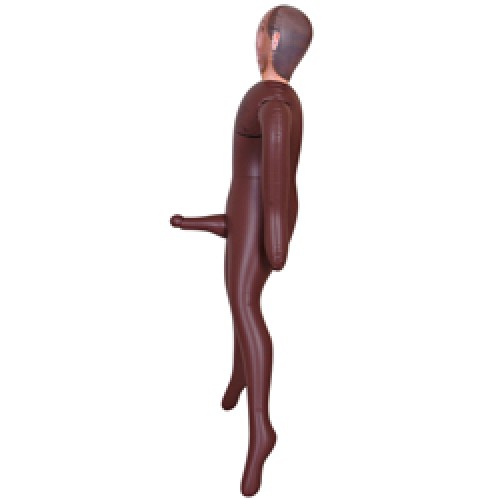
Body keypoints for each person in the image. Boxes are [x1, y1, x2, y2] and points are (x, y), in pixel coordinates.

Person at [171, 6, 312, 496]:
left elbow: (275, 146)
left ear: (274, 41)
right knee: (240, 301)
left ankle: (261, 431)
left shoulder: (270, 99)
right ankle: (239, 377)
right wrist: (205, 222)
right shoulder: (287, 97)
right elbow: (265, 170)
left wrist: (273, 234)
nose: (254, 41)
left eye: (259, 32)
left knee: (246, 306)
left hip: (260, 222)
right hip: (251, 218)